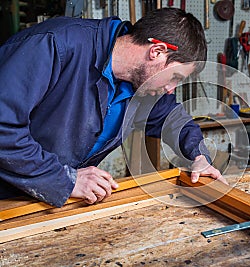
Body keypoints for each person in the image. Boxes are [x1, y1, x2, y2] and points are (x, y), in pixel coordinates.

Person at [0, 8, 226, 208]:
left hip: (54, 201)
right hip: (7, 195)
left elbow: (173, 120)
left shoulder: (144, 86)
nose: (171, 89)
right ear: (156, 50)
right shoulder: (54, 44)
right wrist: (63, 178)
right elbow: (3, 128)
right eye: (174, 77)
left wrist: (199, 157)